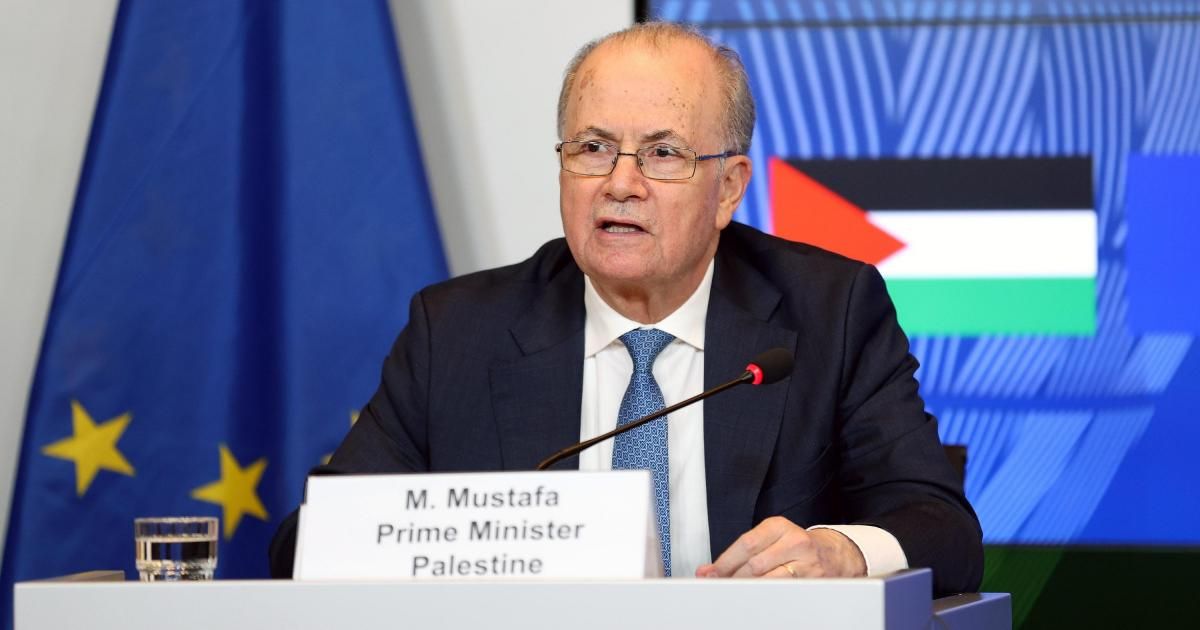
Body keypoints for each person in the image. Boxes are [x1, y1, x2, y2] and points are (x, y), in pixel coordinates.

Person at [270, 22, 983, 595]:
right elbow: (307, 544)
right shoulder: (457, 331)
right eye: (593, 147)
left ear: (730, 187)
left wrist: (841, 552)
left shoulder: (829, 312)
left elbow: (944, 528)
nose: (620, 183)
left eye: (663, 154)